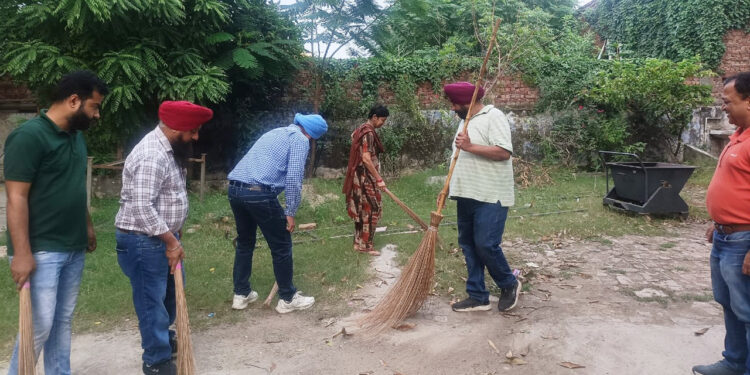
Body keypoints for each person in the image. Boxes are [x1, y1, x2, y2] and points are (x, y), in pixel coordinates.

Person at [5, 70, 108, 375]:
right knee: (38, 327)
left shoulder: (76, 138)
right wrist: (22, 254)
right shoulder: (28, 137)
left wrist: (87, 225)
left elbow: (74, 185)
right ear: (74, 100)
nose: (97, 115)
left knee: (61, 324)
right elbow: (16, 199)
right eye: (94, 106)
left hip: (72, 245)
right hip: (41, 249)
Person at [115, 100, 213, 375]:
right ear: (177, 128)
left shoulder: (170, 150)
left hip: (162, 237)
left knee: (168, 297)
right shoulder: (152, 154)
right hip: (143, 241)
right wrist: (170, 241)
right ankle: (156, 362)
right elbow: (142, 207)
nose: (195, 136)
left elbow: (168, 198)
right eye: (192, 131)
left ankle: (163, 340)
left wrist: (174, 234)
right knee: (151, 302)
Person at [228, 113, 327, 313]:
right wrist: (290, 212)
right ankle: (288, 298)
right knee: (282, 244)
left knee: (245, 242)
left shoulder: (277, 132)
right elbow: (293, 178)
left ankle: (241, 294)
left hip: (235, 190)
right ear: (313, 135)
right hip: (259, 194)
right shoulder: (300, 140)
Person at [440, 81, 521, 313]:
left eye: (455, 104)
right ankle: (477, 296)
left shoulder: (494, 116)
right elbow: (458, 158)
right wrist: (447, 188)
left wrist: (470, 146)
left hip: (491, 194)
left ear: (469, 102)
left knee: (486, 244)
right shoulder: (464, 122)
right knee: (468, 245)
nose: (453, 108)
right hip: (466, 194)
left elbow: (504, 152)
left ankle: (509, 283)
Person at [694, 71, 750, 375]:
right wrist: (720, 222)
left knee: (748, 310)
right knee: (728, 302)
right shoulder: (738, 135)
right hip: (725, 237)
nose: (723, 107)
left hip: (744, 242)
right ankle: (734, 362)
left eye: (728, 101)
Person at [343, 104, 390, 256]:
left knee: (361, 208)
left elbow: (353, 137)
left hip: (358, 176)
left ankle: (358, 242)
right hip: (365, 177)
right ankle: (366, 245)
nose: (383, 123)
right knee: (371, 209)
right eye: (382, 120)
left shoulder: (361, 129)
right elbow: (366, 158)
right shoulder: (368, 133)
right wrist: (379, 179)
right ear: (374, 117)